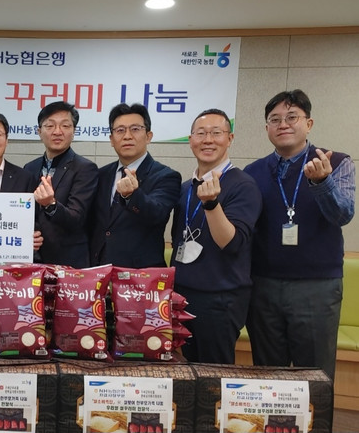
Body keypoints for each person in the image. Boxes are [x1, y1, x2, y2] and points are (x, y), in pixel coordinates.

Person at [245, 89, 355, 380]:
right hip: (263, 285)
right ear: (267, 128)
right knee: (267, 373)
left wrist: (322, 182)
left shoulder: (335, 162)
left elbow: (342, 214)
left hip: (316, 287)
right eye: (275, 119)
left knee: (315, 374)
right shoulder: (252, 172)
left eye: (292, 117)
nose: (283, 124)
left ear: (309, 123)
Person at [170, 109, 261, 364]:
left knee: (214, 373)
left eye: (216, 133)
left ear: (229, 139)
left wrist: (211, 204)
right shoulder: (186, 187)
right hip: (183, 295)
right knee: (187, 369)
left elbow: (232, 243)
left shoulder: (243, 185)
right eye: (201, 133)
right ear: (191, 140)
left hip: (220, 299)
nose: (208, 140)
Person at [89, 103, 181, 267]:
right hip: (99, 269)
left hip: (141, 274)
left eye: (135, 129)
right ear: (111, 139)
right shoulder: (101, 174)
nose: (127, 136)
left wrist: (132, 196)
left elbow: (157, 214)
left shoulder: (166, 176)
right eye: (120, 130)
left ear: (148, 136)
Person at [24, 101, 99, 268]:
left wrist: (51, 205)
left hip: (69, 262)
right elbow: (25, 213)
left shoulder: (85, 168)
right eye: (50, 126)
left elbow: (77, 218)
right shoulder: (30, 167)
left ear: (74, 131)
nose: (57, 131)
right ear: (39, 132)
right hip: (33, 260)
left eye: (65, 126)